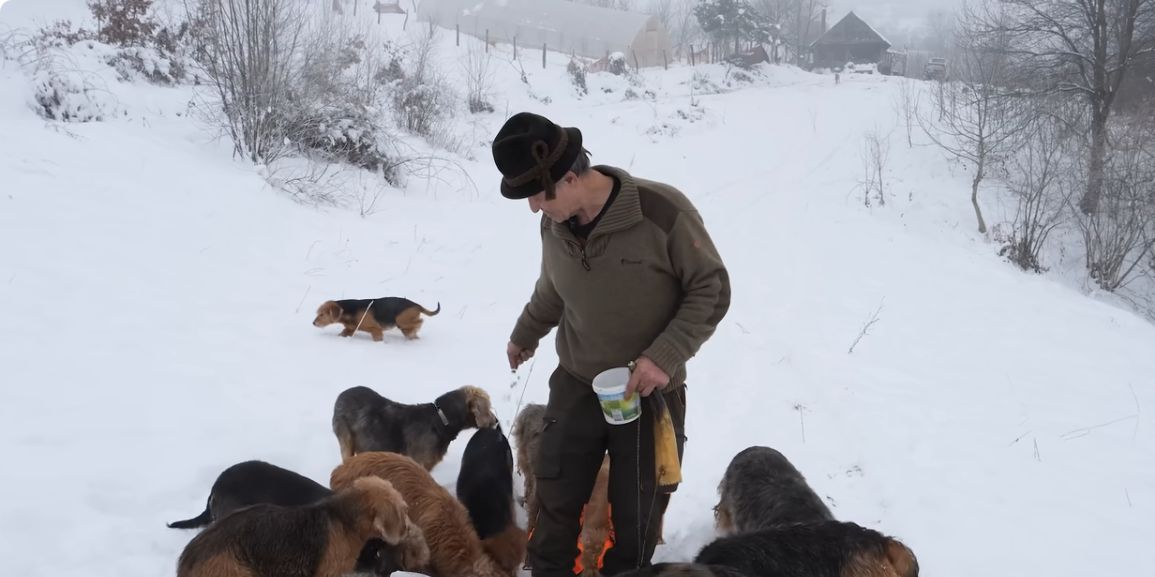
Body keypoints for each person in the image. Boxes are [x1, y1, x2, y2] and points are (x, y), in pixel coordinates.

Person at [491, 111, 731, 577]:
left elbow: (712, 288)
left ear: (570, 177)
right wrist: (525, 333)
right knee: (554, 500)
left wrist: (663, 357)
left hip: (649, 393)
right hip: (577, 384)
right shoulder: (554, 224)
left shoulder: (663, 212)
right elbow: (553, 289)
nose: (534, 208)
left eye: (537, 195)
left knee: (636, 516)